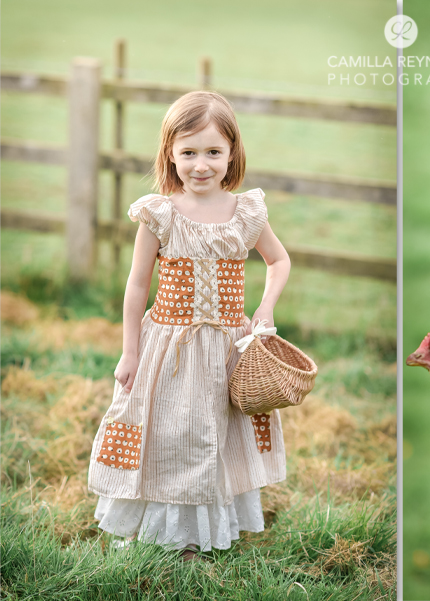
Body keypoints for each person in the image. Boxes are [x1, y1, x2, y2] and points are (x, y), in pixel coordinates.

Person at [87, 91, 291, 560]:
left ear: (232, 154)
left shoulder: (246, 214)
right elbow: (137, 287)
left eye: (214, 152)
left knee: (214, 433)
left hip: (226, 343)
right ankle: (156, 530)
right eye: (189, 153)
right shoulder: (160, 214)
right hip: (169, 344)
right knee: (168, 432)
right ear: (171, 155)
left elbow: (278, 261)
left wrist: (265, 310)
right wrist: (130, 352)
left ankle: (198, 533)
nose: (202, 165)